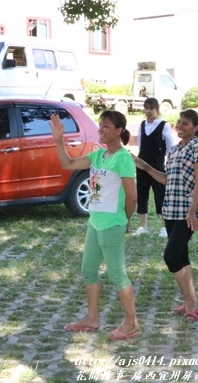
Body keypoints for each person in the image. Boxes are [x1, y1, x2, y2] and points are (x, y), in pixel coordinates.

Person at [50, 110, 140, 340]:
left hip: (112, 223)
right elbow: (67, 163)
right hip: (95, 222)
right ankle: (92, 318)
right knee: (88, 270)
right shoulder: (98, 155)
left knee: (117, 274)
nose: (100, 130)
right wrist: (58, 139)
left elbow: (132, 198)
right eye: (100, 126)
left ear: (119, 131)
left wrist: (125, 221)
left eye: (106, 127)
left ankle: (131, 323)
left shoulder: (124, 159)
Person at [134, 110, 198, 323]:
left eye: (186, 123)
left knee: (171, 256)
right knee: (182, 257)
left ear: (195, 127)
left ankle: (191, 303)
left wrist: (193, 211)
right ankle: (190, 301)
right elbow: (168, 180)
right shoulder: (175, 149)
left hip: (186, 210)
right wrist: (145, 167)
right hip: (170, 210)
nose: (180, 126)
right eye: (179, 122)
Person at [133, 98, 176, 238]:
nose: (149, 111)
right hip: (141, 165)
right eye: (146, 108)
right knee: (142, 194)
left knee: (161, 195)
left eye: (151, 108)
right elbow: (140, 144)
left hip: (157, 166)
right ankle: (143, 226)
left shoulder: (164, 126)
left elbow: (170, 147)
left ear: (157, 110)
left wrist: (169, 164)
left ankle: (164, 227)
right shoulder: (142, 125)